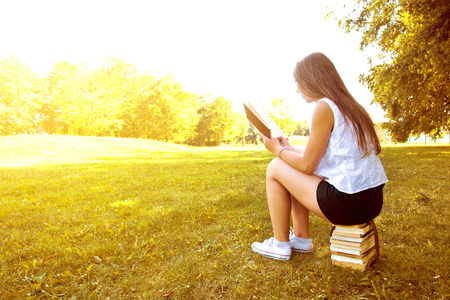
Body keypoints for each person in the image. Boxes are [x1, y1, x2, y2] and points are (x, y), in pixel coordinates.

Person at [251, 52, 388, 260]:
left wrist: (277, 150)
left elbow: (307, 166)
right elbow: (315, 158)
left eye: (299, 83)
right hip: (370, 200)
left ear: (311, 79)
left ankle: (280, 245)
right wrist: (287, 147)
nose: (297, 89)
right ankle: (300, 238)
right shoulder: (351, 107)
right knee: (288, 166)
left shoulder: (324, 106)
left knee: (275, 167)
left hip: (349, 203)